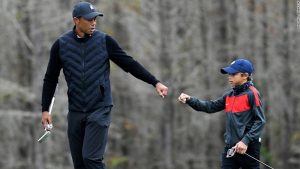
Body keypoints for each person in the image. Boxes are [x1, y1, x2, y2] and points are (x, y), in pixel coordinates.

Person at [41, 1, 168, 169]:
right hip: (76, 110)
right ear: (76, 20)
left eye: (95, 19)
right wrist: (45, 109)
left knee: (91, 159)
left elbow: (129, 64)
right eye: (89, 19)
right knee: (79, 164)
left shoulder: (104, 41)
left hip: (99, 108)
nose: (94, 22)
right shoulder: (61, 45)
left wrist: (155, 82)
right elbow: (50, 78)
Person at [178, 58, 266, 169]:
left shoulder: (253, 94)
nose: (229, 77)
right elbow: (210, 107)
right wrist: (190, 99)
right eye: (229, 74)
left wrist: (245, 141)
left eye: (233, 74)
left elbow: (260, 121)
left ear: (245, 76)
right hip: (231, 148)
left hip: (249, 148)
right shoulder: (229, 95)